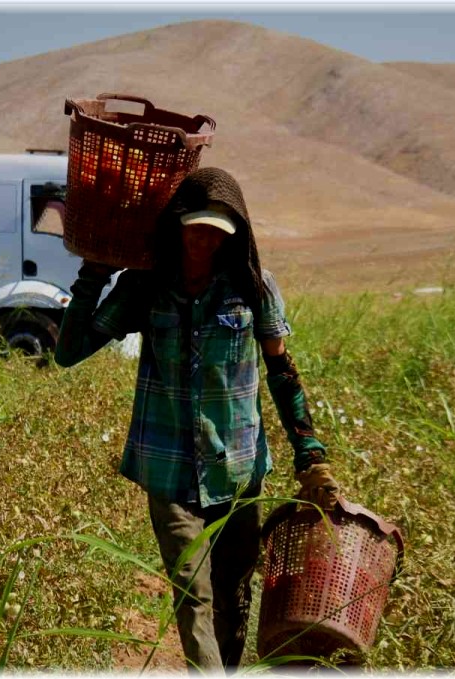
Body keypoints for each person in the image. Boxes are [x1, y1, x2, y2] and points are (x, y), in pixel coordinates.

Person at [55, 167, 341, 672]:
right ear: (176, 225)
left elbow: (281, 370)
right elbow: (70, 352)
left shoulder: (253, 287)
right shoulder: (144, 287)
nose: (204, 239)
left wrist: (309, 454)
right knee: (192, 595)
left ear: (235, 235)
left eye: (217, 230)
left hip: (237, 468)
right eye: (196, 226)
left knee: (235, 594)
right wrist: (93, 275)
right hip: (167, 469)